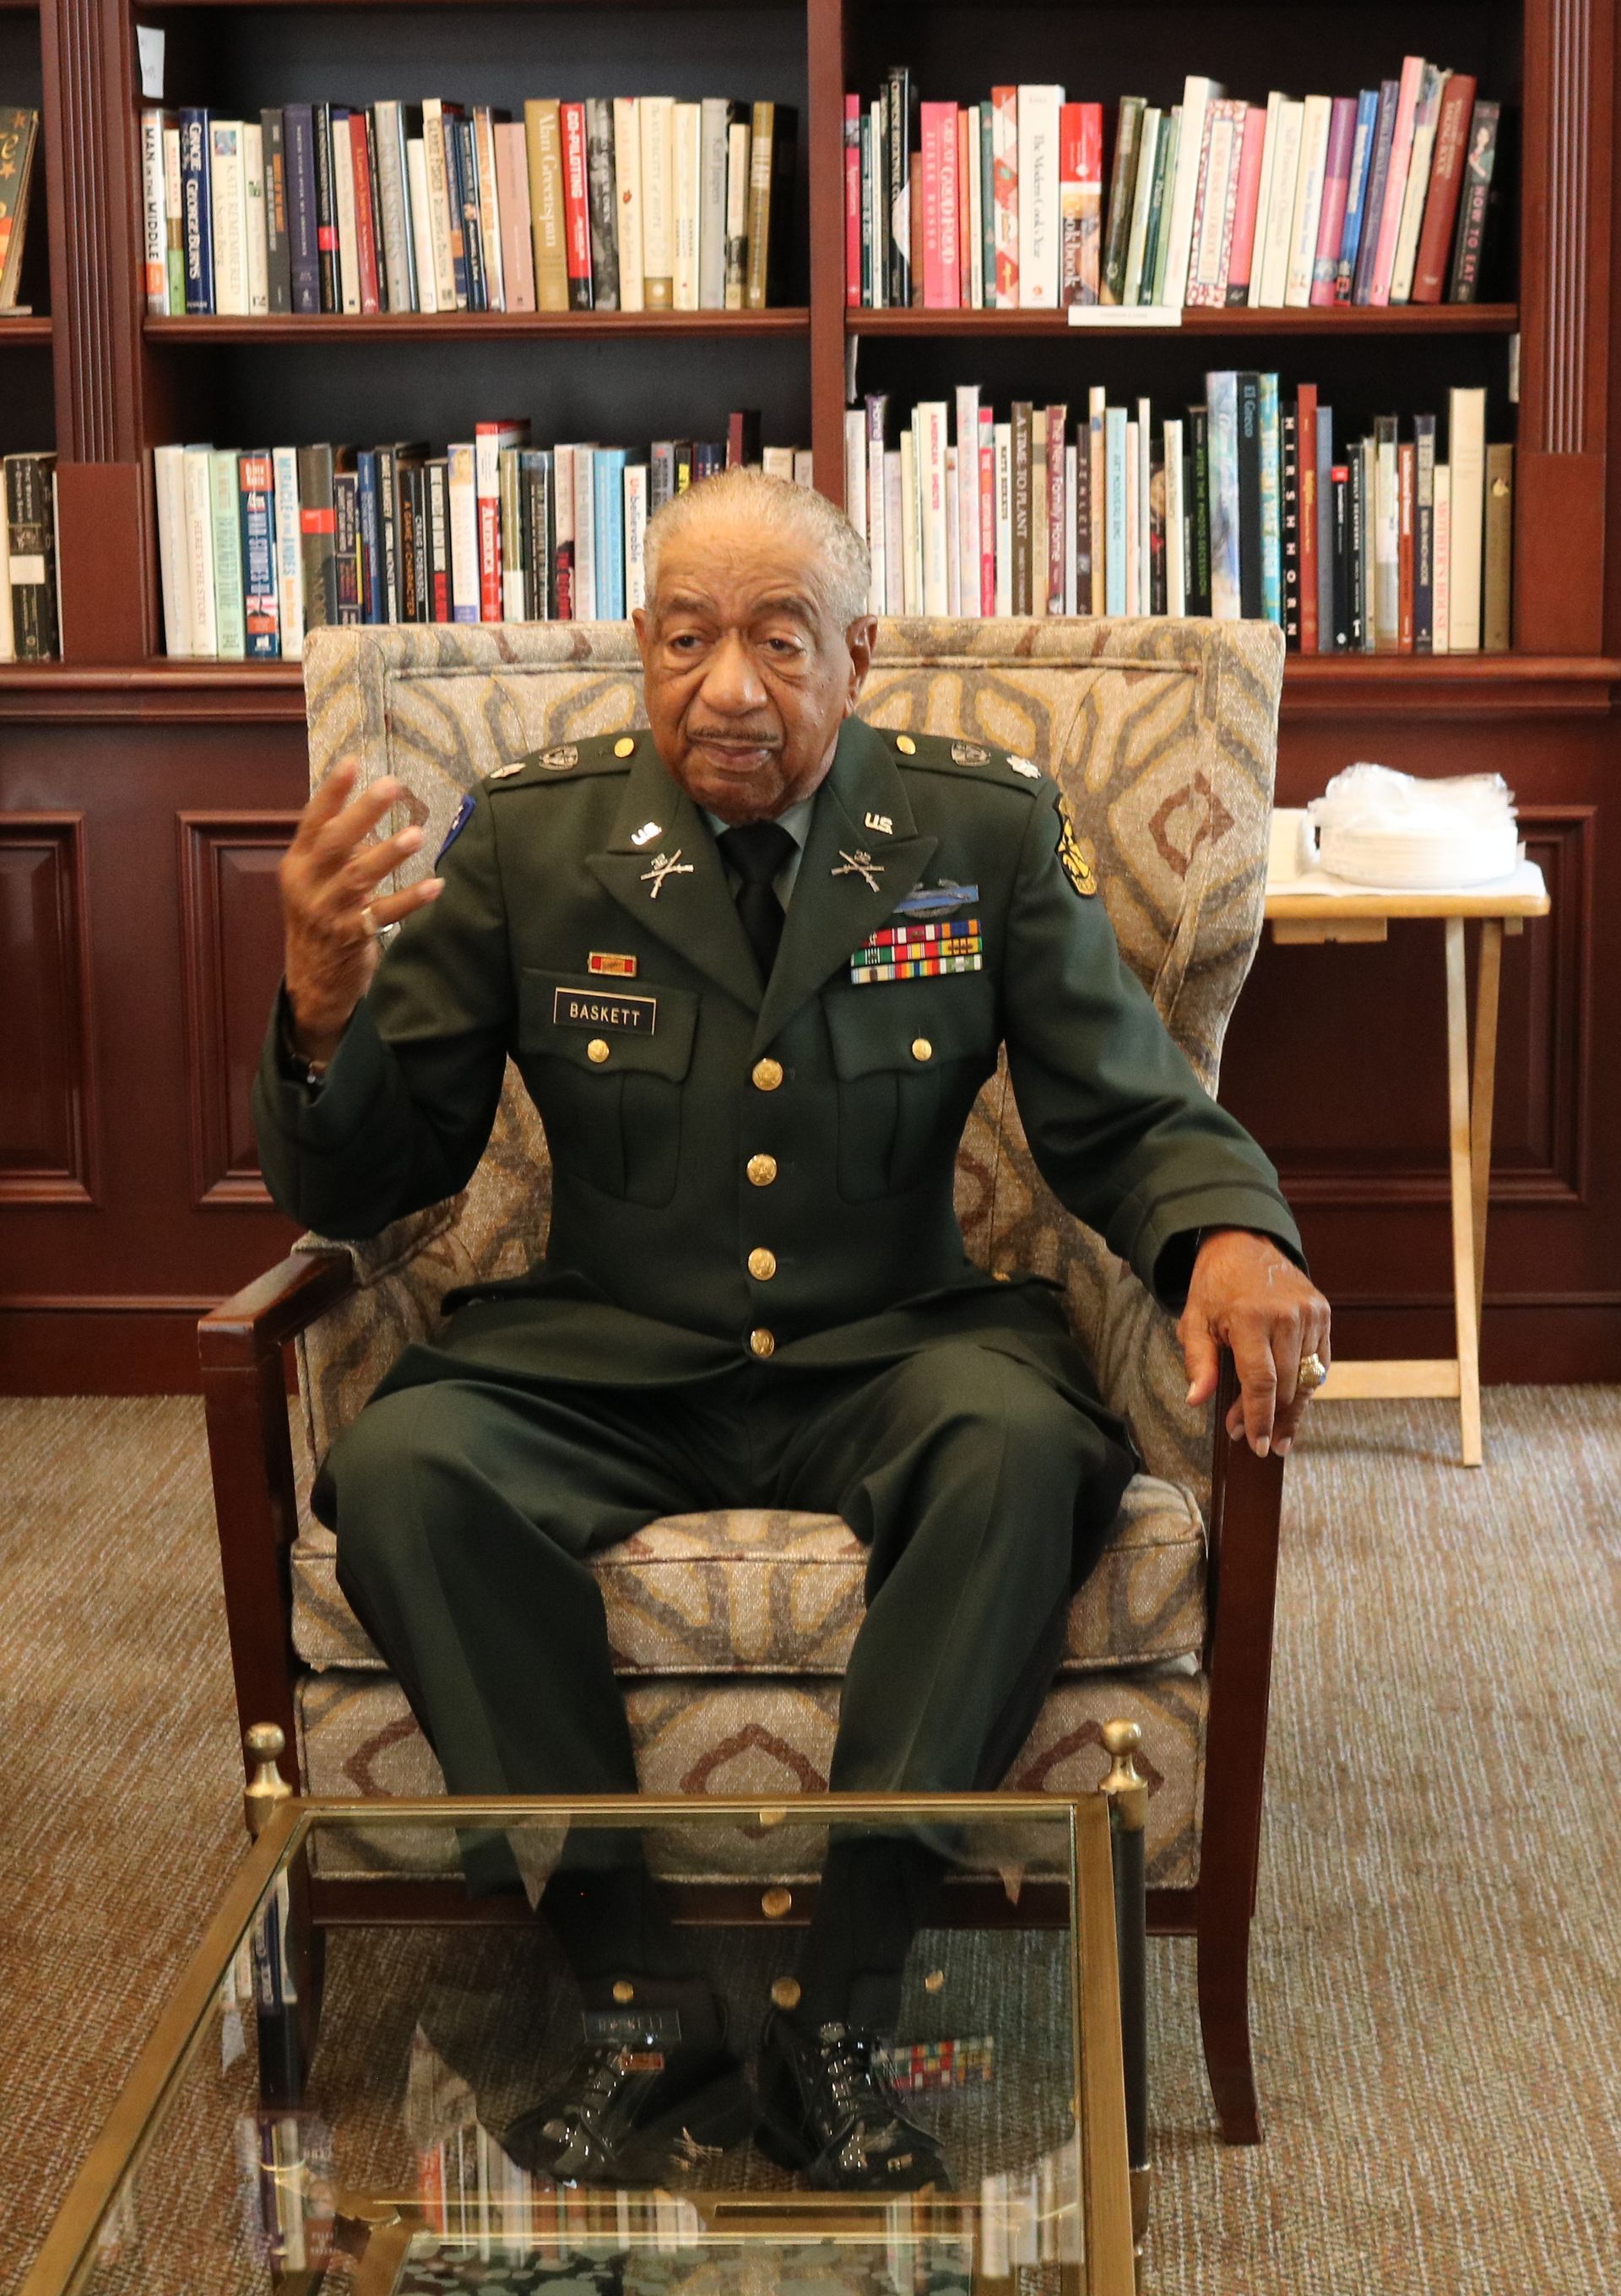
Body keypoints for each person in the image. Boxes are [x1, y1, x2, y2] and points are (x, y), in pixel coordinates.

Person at [255, 468, 1330, 2193]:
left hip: (895, 1342)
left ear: (861, 654)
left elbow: (1127, 1107)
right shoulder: (532, 843)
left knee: (1024, 1447)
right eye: (685, 638)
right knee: (404, 1466)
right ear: (641, 649)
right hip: (603, 1350)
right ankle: (630, 1994)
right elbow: (379, 1173)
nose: (727, 686)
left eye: (776, 638)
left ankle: (844, 2002)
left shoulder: (980, 831)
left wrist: (1229, 1236)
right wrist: (319, 1019)